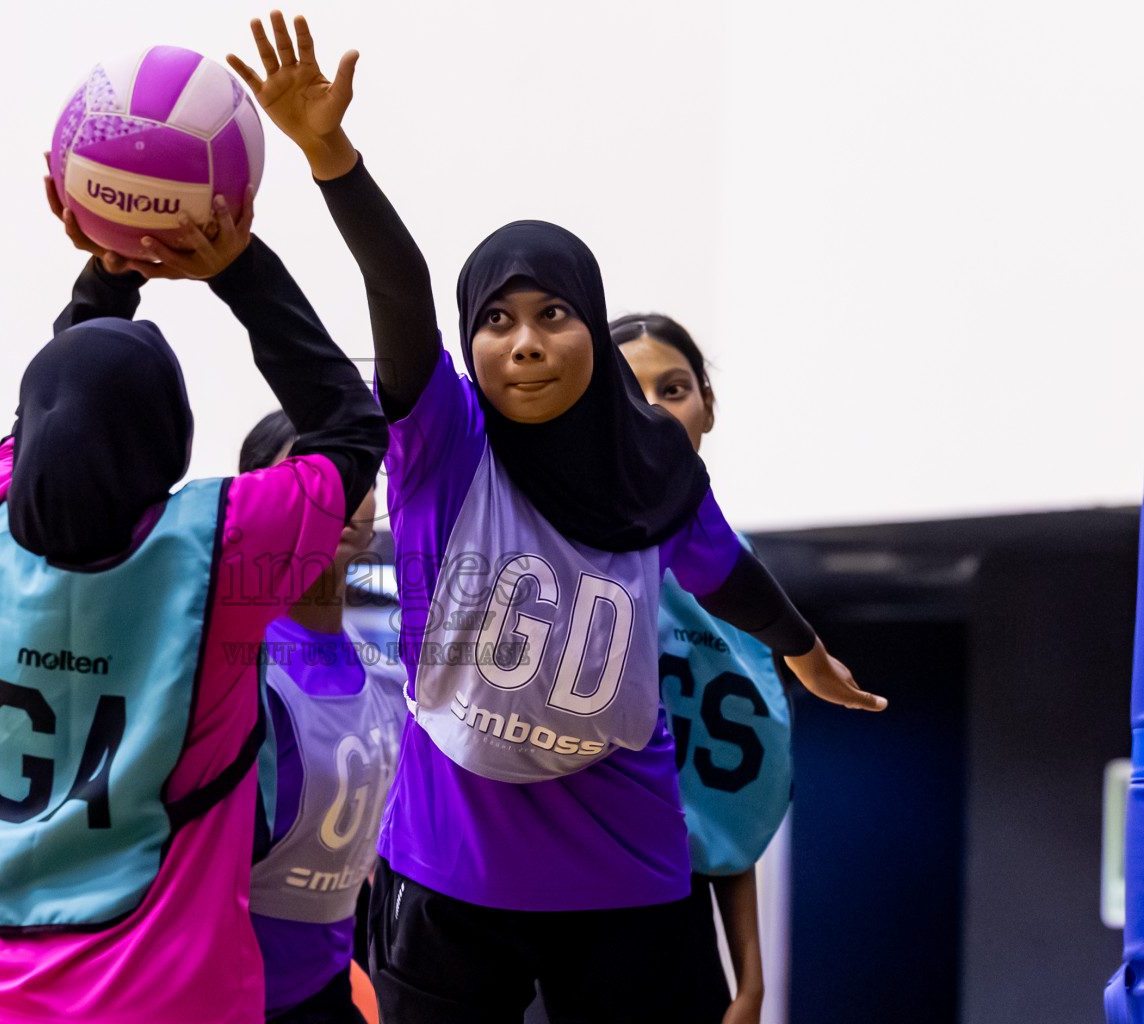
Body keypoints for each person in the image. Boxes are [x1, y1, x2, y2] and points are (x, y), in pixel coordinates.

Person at [227, 13, 885, 1022]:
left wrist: (802, 650)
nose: (524, 344)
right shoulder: (439, 436)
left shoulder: (651, 464)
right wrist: (332, 157)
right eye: (497, 320)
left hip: (620, 856)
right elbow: (397, 289)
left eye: (553, 316)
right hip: (450, 862)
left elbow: (722, 569)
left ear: (592, 322)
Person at [0, 177, 388, 1024]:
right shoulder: (218, 549)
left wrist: (106, 277)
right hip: (156, 988)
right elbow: (351, 430)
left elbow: (50, 413)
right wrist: (235, 265)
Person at [615, 313, 793, 1024]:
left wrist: (750, 982)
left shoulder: (738, 574)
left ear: (708, 406)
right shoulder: (567, 554)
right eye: (631, 393)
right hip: (565, 898)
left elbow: (725, 803)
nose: (656, 411)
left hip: (676, 916)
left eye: (675, 388)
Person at [239, 410, 408, 1023]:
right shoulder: (236, 674)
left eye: (352, 473)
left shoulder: (392, 683)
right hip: (226, 997)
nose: (335, 494)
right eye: (306, 473)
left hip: (326, 993)